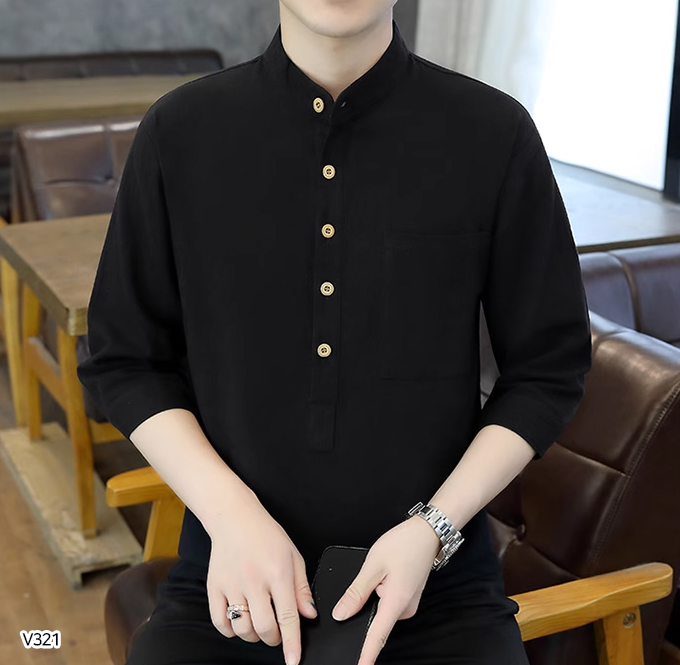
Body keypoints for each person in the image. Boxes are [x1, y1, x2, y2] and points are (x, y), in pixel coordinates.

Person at [77, 1, 592, 664]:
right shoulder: (179, 131)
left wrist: (432, 529)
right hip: (235, 572)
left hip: (435, 585)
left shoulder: (494, 133)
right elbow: (125, 359)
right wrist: (231, 516)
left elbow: (548, 368)